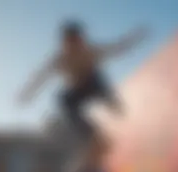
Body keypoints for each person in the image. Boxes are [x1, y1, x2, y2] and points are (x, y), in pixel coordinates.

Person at [17, 21, 149, 148]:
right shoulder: (59, 59)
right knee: (63, 99)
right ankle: (92, 136)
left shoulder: (91, 50)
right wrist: (28, 93)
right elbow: (41, 77)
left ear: (81, 40)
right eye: (70, 42)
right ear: (65, 42)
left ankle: (115, 106)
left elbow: (117, 48)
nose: (74, 45)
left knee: (96, 76)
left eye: (77, 41)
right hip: (77, 92)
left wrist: (134, 38)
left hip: (94, 85)